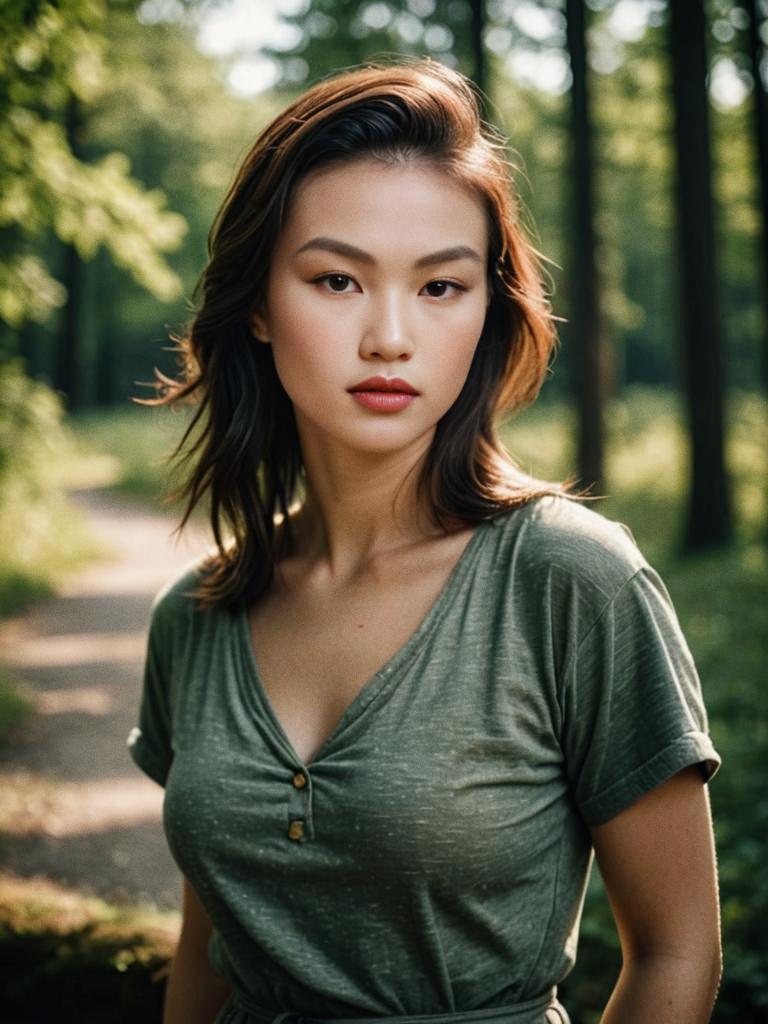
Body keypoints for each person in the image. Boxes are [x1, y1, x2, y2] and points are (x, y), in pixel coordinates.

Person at [127, 59, 722, 1024]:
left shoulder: (572, 580)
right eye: (336, 279)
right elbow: (208, 957)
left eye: (441, 286)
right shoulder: (195, 615)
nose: (390, 337)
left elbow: (675, 955)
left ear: (488, 311)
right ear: (258, 307)